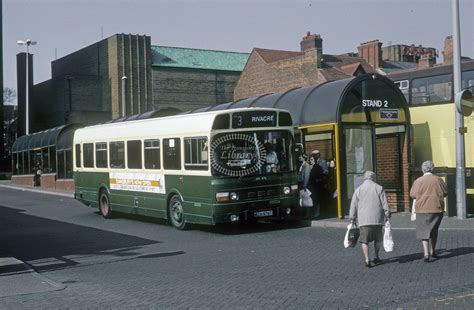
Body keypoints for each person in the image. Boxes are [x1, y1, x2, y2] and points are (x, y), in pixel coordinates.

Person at [349, 170, 390, 268]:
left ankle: (367, 260)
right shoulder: (379, 188)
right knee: (378, 239)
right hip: (377, 219)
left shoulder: (359, 189)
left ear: (365, 178)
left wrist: (352, 217)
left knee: (364, 240)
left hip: (364, 220)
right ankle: (376, 256)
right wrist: (387, 214)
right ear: (373, 178)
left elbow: (353, 205)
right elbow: (385, 203)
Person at [410, 160, 448, 262]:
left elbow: (413, 195)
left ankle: (426, 253)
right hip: (436, 209)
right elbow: (445, 192)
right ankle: (433, 250)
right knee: (434, 230)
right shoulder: (438, 180)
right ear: (432, 168)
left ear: (423, 169)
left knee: (423, 231)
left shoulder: (418, 181)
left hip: (421, 209)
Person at [308, 153, 324, 218]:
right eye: (310, 160)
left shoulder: (318, 167)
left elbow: (321, 176)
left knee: (316, 200)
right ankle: (314, 212)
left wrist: (318, 180)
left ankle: (317, 212)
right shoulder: (310, 167)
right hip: (312, 186)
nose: (311, 161)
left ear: (315, 160)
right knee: (313, 200)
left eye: (312, 159)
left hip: (316, 186)